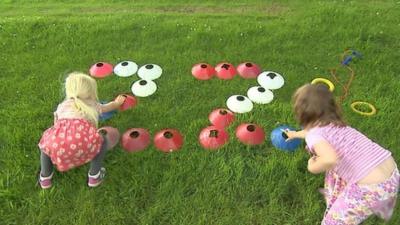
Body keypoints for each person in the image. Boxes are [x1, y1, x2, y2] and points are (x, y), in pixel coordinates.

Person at [284, 83, 399, 225]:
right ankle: (342, 200)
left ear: (301, 113)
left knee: (332, 223)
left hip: (371, 188)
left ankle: (343, 210)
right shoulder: (337, 125)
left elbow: (330, 159)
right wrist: (295, 134)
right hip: (391, 173)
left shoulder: (314, 136)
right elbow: (311, 132)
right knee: (337, 172)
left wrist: (312, 166)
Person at [38, 72, 126, 188]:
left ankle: (45, 177)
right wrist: (117, 103)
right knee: (102, 140)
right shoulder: (92, 105)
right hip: (84, 143)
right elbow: (108, 107)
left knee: (46, 147)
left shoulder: (62, 106)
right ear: (90, 92)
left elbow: (56, 125)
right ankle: (94, 176)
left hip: (58, 144)